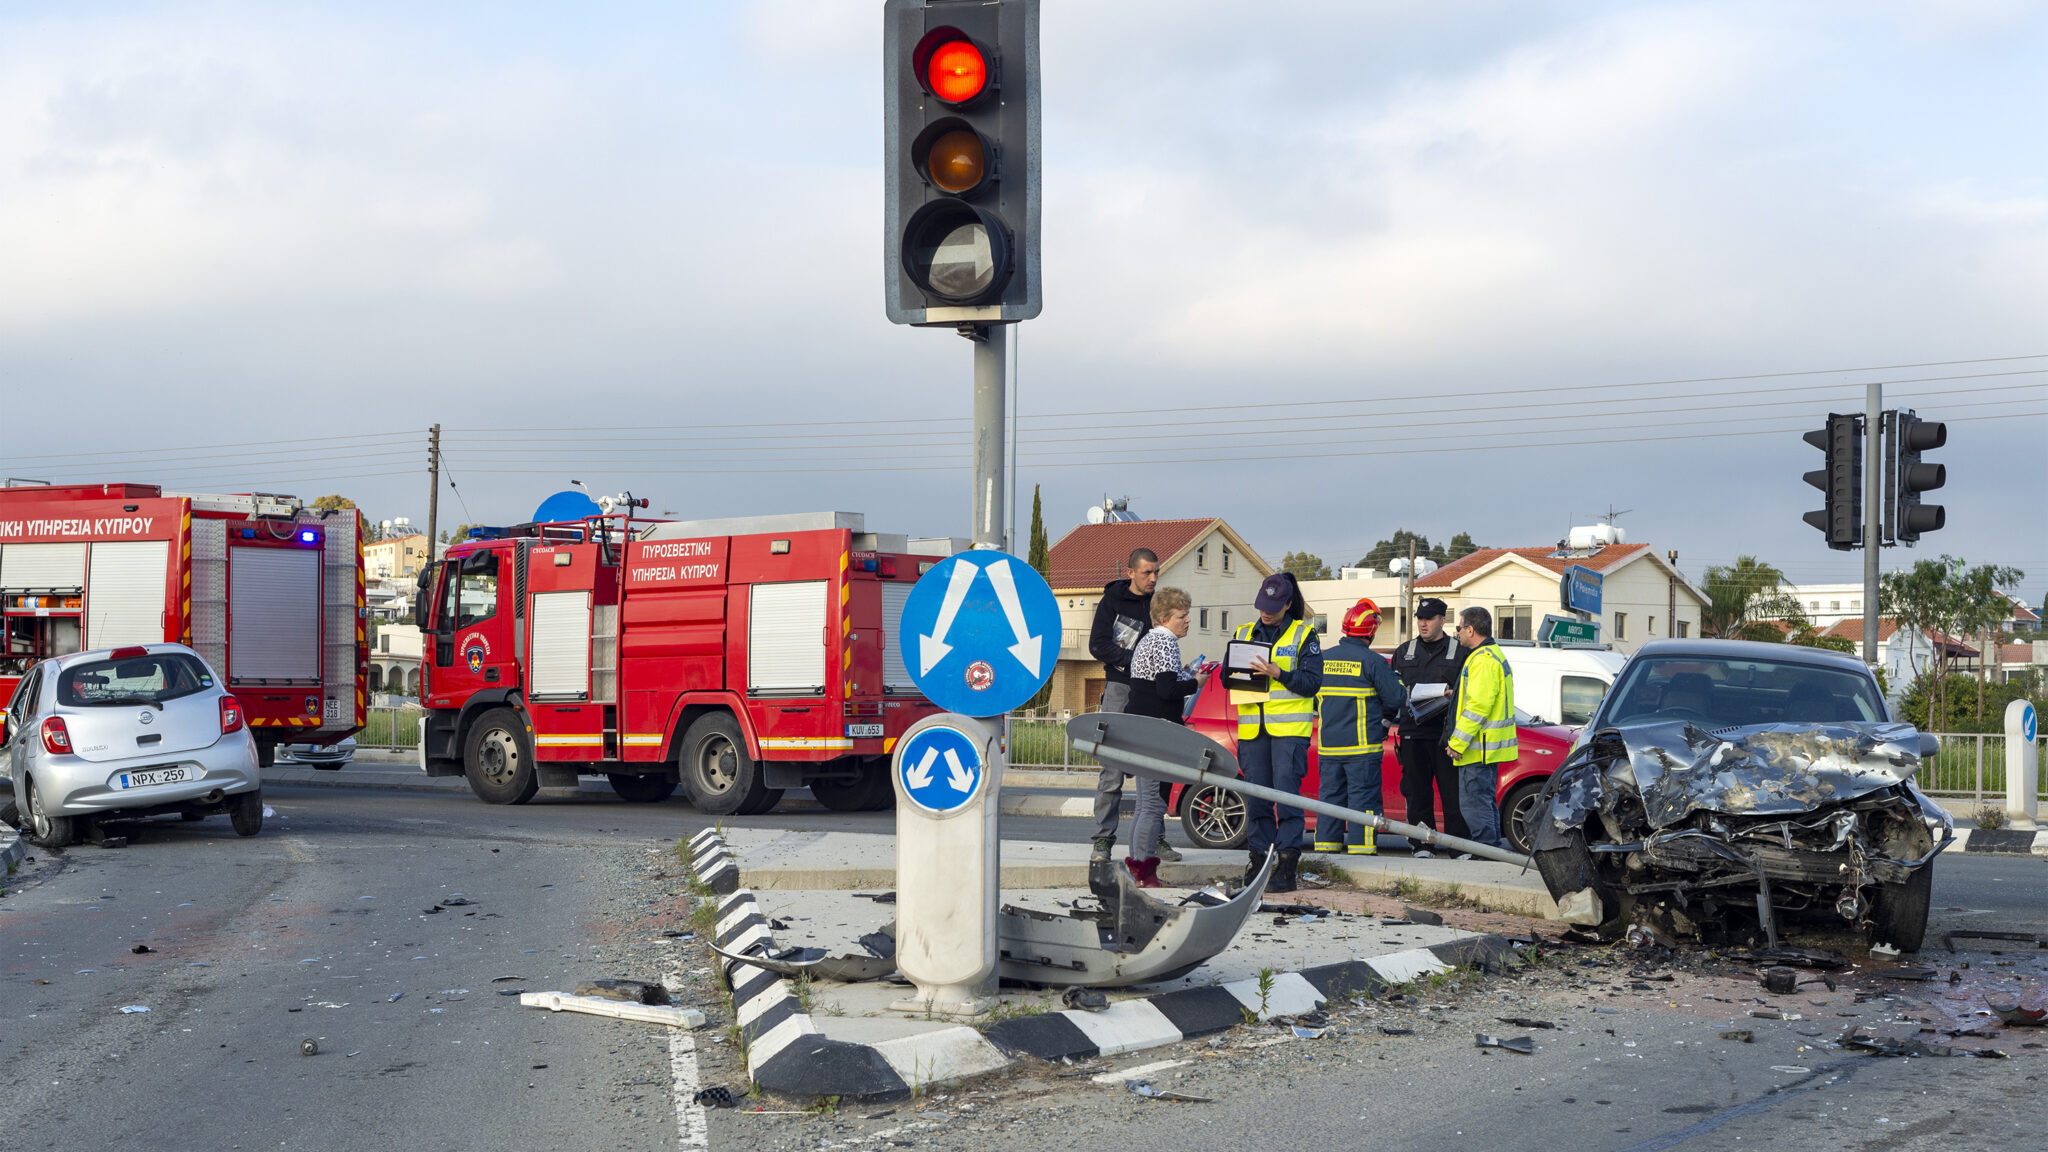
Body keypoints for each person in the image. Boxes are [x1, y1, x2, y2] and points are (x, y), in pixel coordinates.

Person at [1233, 572, 1322, 893]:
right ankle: (1258, 859)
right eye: (1262, 605)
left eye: (1273, 606)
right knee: (1256, 800)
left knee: (1286, 799)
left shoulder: (1305, 635)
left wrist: (1278, 673)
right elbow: (1234, 680)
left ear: (1287, 603)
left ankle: (1286, 865)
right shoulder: (1243, 632)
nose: (1265, 612)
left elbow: (1312, 683)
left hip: (1289, 732)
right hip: (1252, 732)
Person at [1312, 599, 1406, 857]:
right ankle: (1361, 851)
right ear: (1372, 632)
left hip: (1329, 748)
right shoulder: (1372, 662)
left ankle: (1325, 851)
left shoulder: (1323, 659)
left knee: (1330, 800)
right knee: (1363, 802)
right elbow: (1396, 699)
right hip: (1362, 750)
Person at [1121, 587, 1200, 887]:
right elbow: (1166, 690)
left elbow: (1154, 682)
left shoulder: (1148, 640)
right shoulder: (1165, 643)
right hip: (1157, 731)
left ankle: (1137, 867)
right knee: (1153, 805)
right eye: (1182, 616)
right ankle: (1143, 871)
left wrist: (1187, 677)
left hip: (1142, 728)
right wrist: (1195, 683)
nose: (1188, 621)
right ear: (1165, 618)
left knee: (1144, 804)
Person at [1089, 548, 1158, 863]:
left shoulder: (1159, 603)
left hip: (1153, 693)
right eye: (1146, 573)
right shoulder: (1112, 601)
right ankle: (1103, 840)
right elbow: (1097, 645)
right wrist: (1135, 660)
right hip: (1119, 689)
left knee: (1155, 769)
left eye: (1156, 572)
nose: (1152, 579)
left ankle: (1156, 840)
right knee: (1113, 769)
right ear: (1131, 572)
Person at [1390, 597, 1468, 857]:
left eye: (1428, 619)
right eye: (1419, 619)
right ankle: (1422, 844)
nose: (1423, 624)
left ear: (1442, 621)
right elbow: (1394, 691)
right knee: (1417, 792)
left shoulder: (1459, 651)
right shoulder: (1404, 651)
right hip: (1413, 734)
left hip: (1446, 735)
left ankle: (1458, 846)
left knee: (1452, 793)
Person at [1447, 606, 1517, 850]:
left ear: (1470, 629)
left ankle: (1485, 851)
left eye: (1459, 627)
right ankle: (1490, 850)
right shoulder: (1490, 655)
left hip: (1478, 749)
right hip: (1486, 747)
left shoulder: (1482, 660)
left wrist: (1457, 742)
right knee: (1484, 801)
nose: (1457, 632)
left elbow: (1477, 707)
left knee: (1474, 804)